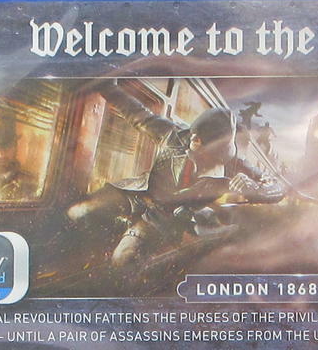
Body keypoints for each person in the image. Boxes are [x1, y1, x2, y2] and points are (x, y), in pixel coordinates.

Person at [61, 87, 286, 287]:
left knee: (123, 259)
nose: (193, 142)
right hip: (138, 193)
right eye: (195, 138)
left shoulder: (234, 162)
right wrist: (105, 85)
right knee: (78, 212)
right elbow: (136, 113)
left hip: (164, 216)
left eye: (202, 142)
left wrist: (253, 189)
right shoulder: (173, 135)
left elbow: (277, 188)